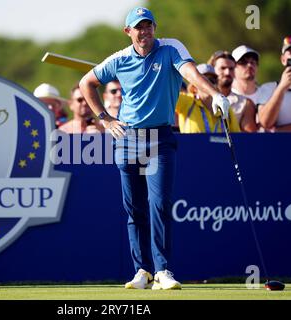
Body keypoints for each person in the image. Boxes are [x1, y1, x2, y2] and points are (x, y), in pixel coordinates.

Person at [79, 7, 230, 290]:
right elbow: (86, 83)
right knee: (134, 208)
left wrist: (215, 94)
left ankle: (163, 270)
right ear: (128, 32)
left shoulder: (170, 48)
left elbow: (191, 74)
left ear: (154, 27)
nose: (144, 31)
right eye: (138, 27)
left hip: (159, 137)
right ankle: (142, 271)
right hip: (127, 137)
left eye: (148, 26)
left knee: (159, 204)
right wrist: (105, 119)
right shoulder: (119, 59)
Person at [176, 64, 240, 133]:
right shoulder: (186, 101)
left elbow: (236, 137)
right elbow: (165, 94)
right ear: (194, 88)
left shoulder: (225, 107)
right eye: (204, 81)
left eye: (212, 81)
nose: (209, 84)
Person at [208, 50, 257, 132]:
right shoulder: (199, 99)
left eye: (231, 69)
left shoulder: (246, 104)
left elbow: (250, 139)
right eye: (223, 68)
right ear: (212, 70)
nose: (227, 72)